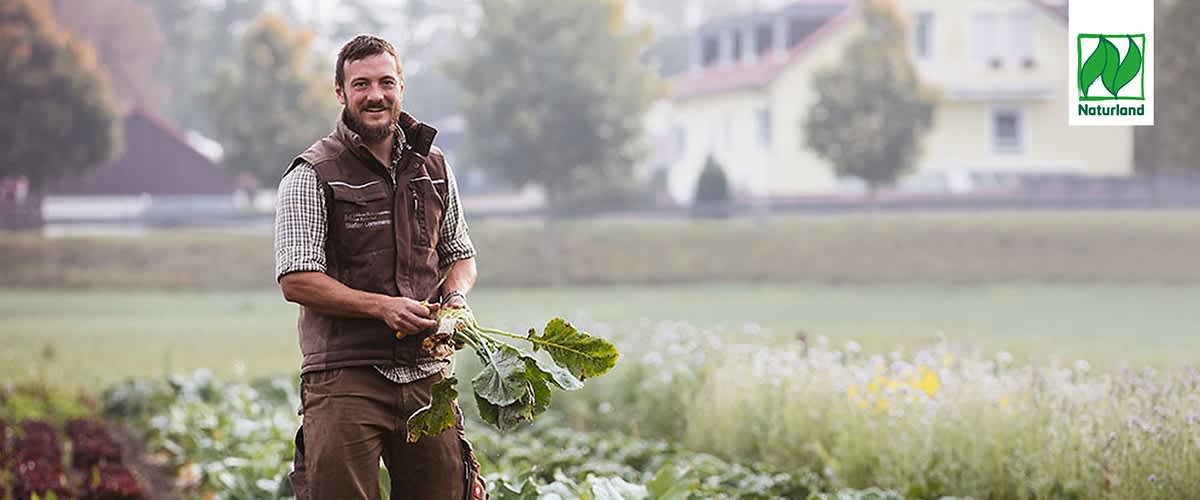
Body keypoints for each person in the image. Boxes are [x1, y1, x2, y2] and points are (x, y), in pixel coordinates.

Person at [273, 34, 486, 500]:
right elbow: (297, 279)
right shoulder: (311, 173)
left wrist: (455, 299)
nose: (375, 95)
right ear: (340, 92)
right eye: (361, 84)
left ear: (401, 86)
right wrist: (382, 308)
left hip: (428, 372)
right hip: (344, 376)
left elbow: (459, 254)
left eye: (386, 82)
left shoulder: (434, 165)